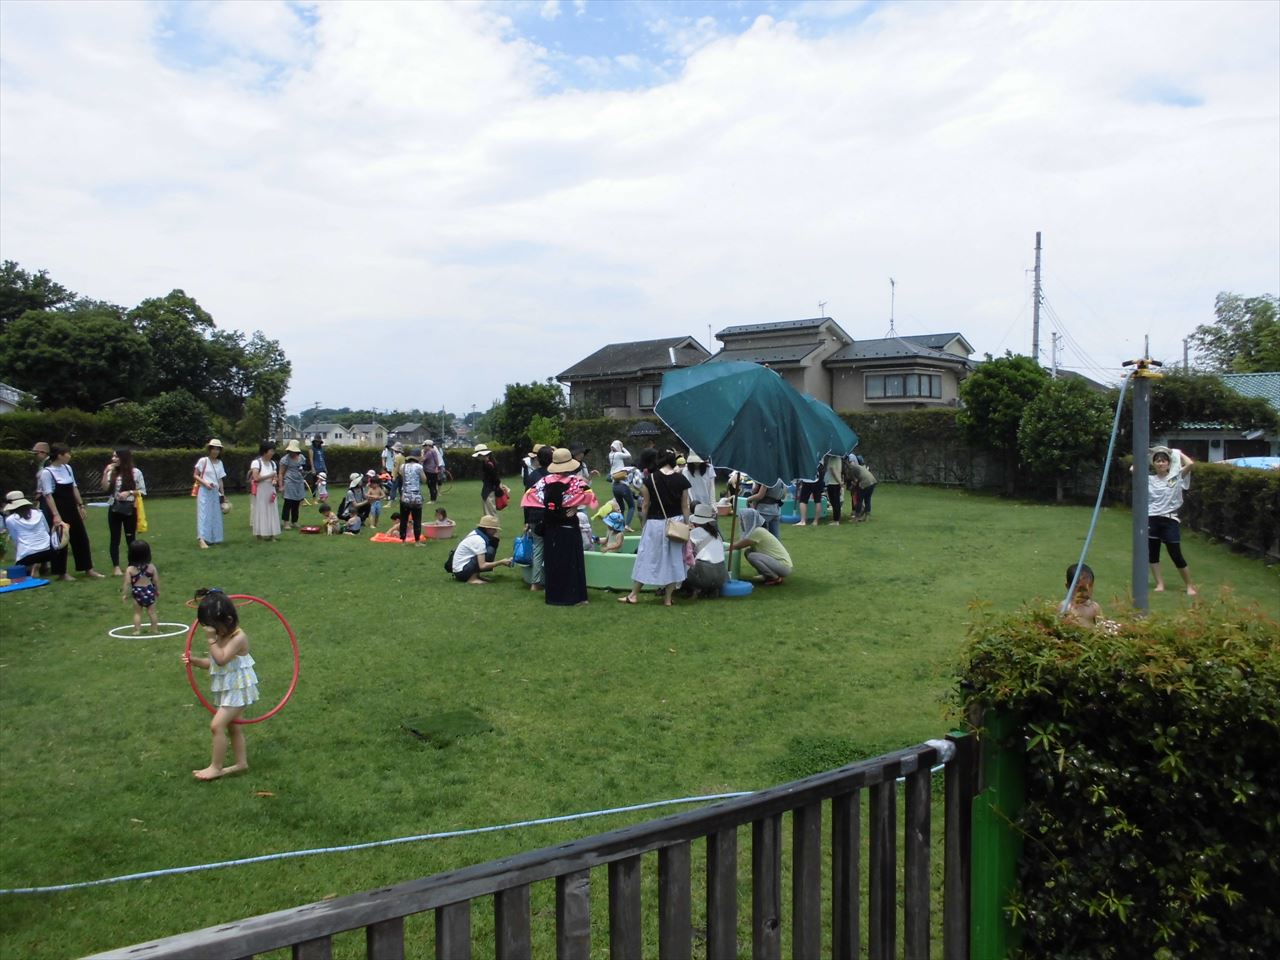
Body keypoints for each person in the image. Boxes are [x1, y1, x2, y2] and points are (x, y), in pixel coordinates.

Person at [182, 590, 258, 781]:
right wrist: (194, 661)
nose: (213, 632)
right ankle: (241, 763)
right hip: (229, 688)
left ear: (229, 619)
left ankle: (216, 767)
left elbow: (222, 659)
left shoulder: (238, 638)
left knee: (217, 725)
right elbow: (213, 663)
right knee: (233, 727)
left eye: (215, 628)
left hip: (239, 690)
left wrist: (210, 640)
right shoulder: (221, 636)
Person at [523, 448, 598, 606]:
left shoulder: (543, 482)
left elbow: (531, 497)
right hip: (568, 526)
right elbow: (590, 497)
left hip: (551, 526)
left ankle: (554, 596)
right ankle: (574, 596)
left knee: (553, 561)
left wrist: (550, 508)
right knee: (572, 561)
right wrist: (576, 505)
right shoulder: (576, 482)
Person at [619, 448, 691, 607]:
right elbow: (685, 505)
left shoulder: (650, 479)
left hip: (655, 524)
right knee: (674, 559)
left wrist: (644, 523)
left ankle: (634, 594)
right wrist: (687, 523)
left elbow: (645, 504)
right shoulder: (681, 479)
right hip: (676, 523)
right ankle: (667, 598)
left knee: (647, 557)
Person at [37, 443, 104, 579]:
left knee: (81, 538)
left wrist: (80, 505)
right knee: (61, 541)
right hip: (58, 509)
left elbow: (74, 488)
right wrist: (56, 515)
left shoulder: (68, 468)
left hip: (71, 508)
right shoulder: (47, 472)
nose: (69, 455)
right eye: (67, 453)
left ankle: (88, 568)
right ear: (60, 455)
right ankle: (62, 572)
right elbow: (48, 495)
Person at [1146, 447, 1197, 595]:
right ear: (1154, 464)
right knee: (1153, 554)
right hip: (1152, 518)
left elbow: (1190, 464)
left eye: (1163, 461)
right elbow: (1133, 469)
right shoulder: (1149, 480)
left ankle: (1189, 586)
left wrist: (1177, 452)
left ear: (1168, 463)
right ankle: (1160, 584)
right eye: (1157, 461)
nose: (1160, 464)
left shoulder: (1175, 477)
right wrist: (1147, 453)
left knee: (1175, 553)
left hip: (1169, 520)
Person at [101, 447, 146, 576]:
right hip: (114, 507)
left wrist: (129, 492)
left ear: (123, 458)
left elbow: (142, 491)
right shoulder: (112, 472)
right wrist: (105, 473)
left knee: (130, 538)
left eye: (116, 456)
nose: (113, 459)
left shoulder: (135, 472)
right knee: (114, 538)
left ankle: (132, 565)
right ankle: (116, 567)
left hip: (129, 508)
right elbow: (104, 488)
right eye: (112, 456)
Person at [4, 491, 67, 579]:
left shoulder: (10, 519)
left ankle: (33, 567)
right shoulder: (38, 513)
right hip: (49, 551)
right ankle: (43, 566)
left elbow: (16, 540)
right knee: (43, 549)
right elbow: (47, 530)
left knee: (20, 568)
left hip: (28, 554)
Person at [729, 507, 794, 586]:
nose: (741, 521)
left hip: (783, 566)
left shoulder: (757, 532)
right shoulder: (757, 531)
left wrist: (724, 549)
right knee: (748, 552)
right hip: (779, 564)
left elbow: (739, 545)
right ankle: (767, 575)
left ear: (748, 519)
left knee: (752, 556)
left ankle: (774, 577)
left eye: (743, 519)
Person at [522, 445, 554, 592]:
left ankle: (535, 582)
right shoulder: (555, 476)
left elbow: (527, 499)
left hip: (534, 515)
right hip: (550, 515)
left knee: (538, 548)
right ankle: (551, 579)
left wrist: (526, 521)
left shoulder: (532, 476)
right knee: (552, 547)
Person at [450, 515, 514, 583]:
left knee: (490, 548)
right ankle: (472, 579)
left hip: (459, 570)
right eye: (494, 529)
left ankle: (476, 575)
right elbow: (482, 565)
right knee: (487, 552)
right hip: (461, 572)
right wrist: (501, 562)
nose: (495, 531)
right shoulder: (479, 540)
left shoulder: (476, 533)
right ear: (487, 528)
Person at [684, 502, 728, 598]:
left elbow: (687, 554)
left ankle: (696, 589)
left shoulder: (695, 533)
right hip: (721, 575)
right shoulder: (717, 534)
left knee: (685, 567)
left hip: (705, 574)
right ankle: (712, 589)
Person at [193, 439, 228, 549]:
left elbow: (220, 480)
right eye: (214, 449)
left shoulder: (220, 463)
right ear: (210, 449)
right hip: (204, 491)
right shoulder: (203, 461)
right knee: (204, 514)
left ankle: (213, 538)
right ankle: (202, 539)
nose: (216, 451)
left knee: (215, 515)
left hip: (215, 492)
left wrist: (223, 495)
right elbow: (196, 475)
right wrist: (205, 483)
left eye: (218, 449)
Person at [121, 539, 161, 635]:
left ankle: (137, 630)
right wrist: (157, 590)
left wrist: (125, 594)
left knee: (137, 613)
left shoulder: (130, 569)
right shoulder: (151, 567)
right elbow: (156, 580)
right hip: (149, 592)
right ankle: (155, 629)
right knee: (152, 612)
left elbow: (127, 583)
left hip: (137, 593)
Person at [249, 442, 283, 540]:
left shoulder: (272, 463)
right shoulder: (256, 463)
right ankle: (259, 533)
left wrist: (274, 480)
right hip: (261, 490)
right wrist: (270, 476)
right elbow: (256, 478)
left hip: (270, 489)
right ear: (265, 451)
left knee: (272, 511)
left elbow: (275, 476)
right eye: (271, 451)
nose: (272, 453)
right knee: (261, 510)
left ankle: (272, 534)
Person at [278, 440, 309, 531]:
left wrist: (303, 471)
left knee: (297, 502)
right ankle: (286, 522)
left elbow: (303, 469)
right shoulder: (285, 459)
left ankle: (294, 521)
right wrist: (281, 486)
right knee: (288, 502)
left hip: (299, 482)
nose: (292, 453)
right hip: (289, 481)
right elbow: (281, 473)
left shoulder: (301, 458)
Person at [1061, 562, 1102, 627]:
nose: (1084, 593)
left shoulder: (1094, 607)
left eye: (1089, 588)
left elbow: (1101, 627)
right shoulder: (1065, 606)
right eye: (1080, 589)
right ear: (1068, 586)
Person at [607, 440, 636, 529]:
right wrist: (623, 447)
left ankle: (620, 525)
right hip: (622, 485)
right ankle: (627, 525)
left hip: (614, 486)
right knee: (631, 506)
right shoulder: (619, 454)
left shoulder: (610, 455)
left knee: (621, 508)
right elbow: (629, 455)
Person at [399, 451, 427, 543]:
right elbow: (424, 480)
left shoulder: (403, 466)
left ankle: (403, 539)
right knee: (417, 519)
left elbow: (402, 476)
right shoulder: (419, 467)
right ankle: (417, 541)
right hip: (415, 497)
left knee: (404, 519)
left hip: (405, 496)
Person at [474, 443, 505, 517]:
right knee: (488, 513)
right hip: (487, 491)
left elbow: (495, 479)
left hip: (490, 491)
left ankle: (493, 528)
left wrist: (498, 486)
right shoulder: (486, 464)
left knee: (490, 514)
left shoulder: (489, 465)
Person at [822, 453, 845, 526]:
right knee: (835, 502)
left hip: (833, 483)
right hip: (835, 483)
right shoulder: (839, 458)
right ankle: (836, 518)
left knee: (835, 502)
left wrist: (839, 481)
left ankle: (836, 521)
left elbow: (833, 470)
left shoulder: (833, 458)